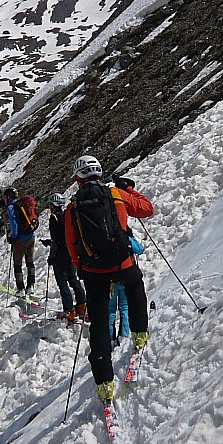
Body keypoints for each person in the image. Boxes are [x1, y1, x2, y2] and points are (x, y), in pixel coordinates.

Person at [64, 155, 154, 402]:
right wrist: (129, 188)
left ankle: (104, 380)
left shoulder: (72, 208)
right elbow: (147, 209)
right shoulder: (115, 194)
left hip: (94, 272)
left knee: (100, 322)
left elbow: (72, 244)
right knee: (135, 286)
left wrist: (81, 266)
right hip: (122, 262)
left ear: (77, 178)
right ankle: (139, 332)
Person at [44, 192, 87, 322]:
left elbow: (56, 240)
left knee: (63, 283)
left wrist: (52, 256)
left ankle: (69, 311)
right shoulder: (67, 216)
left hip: (59, 254)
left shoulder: (54, 218)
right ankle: (82, 306)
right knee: (73, 279)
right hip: (70, 251)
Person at [0, 186, 37, 297]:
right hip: (31, 235)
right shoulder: (22, 205)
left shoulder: (11, 207)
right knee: (30, 261)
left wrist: (13, 237)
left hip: (21, 240)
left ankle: (21, 289)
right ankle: (31, 286)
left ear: (8, 197)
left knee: (17, 264)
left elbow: (14, 224)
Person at [108, 282, 129, 347]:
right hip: (124, 281)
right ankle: (124, 334)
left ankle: (110, 337)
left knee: (111, 310)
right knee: (124, 308)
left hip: (111, 283)